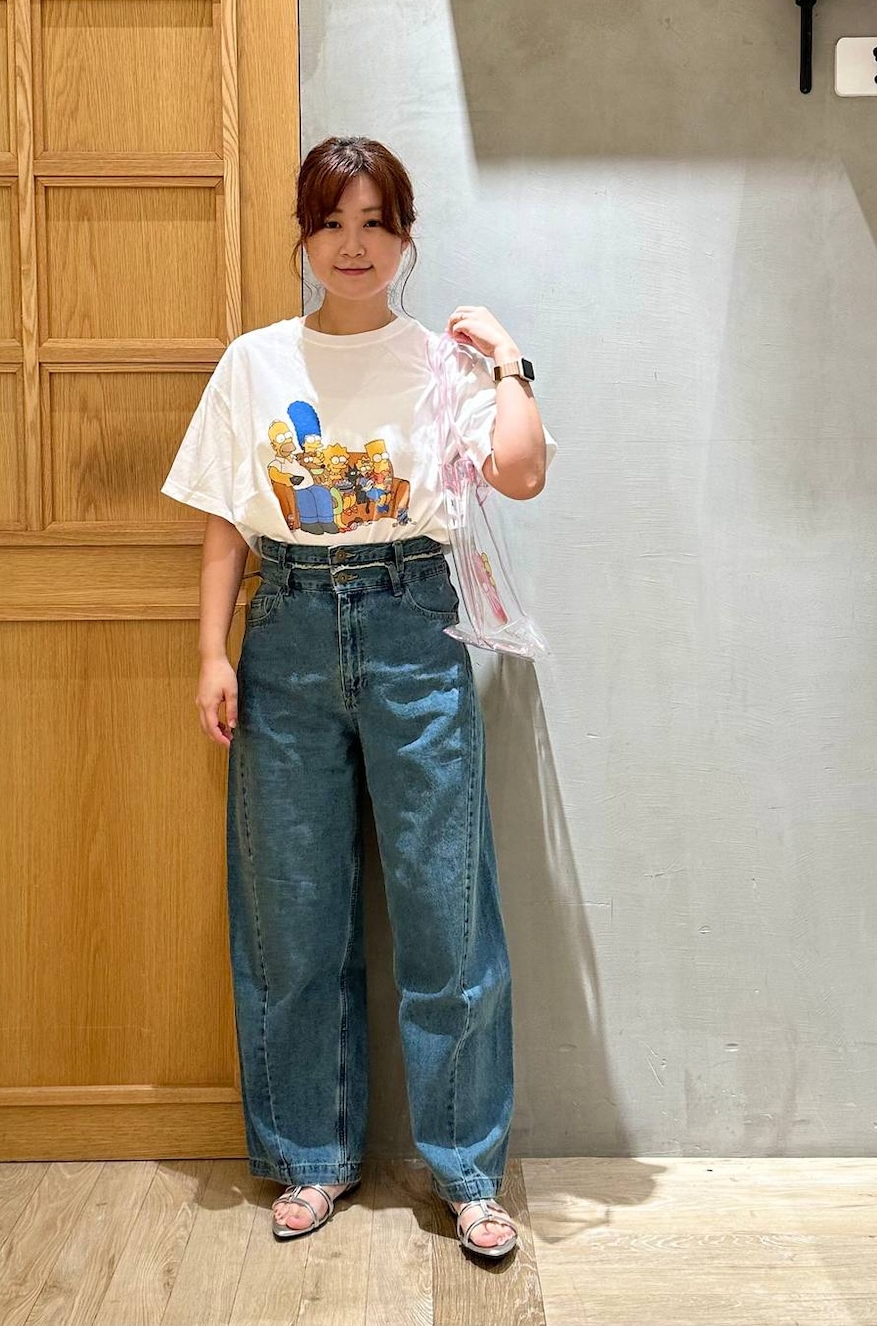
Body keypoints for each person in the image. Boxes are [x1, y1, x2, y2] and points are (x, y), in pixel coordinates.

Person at [161, 135, 557, 1259]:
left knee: (446, 908)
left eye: (375, 222)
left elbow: (522, 472)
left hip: (412, 625)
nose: (352, 245)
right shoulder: (255, 362)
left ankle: (467, 1172)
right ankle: (311, 1154)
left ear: (405, 237)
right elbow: (224, 522)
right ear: (303, 234)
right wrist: (211, 652)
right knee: (292, 914)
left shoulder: (442, 363)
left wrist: (509, 361)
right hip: (284, 628)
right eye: (331, 222)